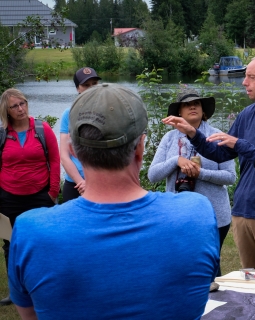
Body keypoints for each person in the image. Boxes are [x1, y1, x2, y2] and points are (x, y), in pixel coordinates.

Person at [7, 83, 219, 319]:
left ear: (73, 151)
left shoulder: (31, 231)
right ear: (140, 147)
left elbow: (30, 314)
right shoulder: (197, 214)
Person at [163, 55, 255, 274]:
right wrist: (193, 133)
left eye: (251, 77)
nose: (244, 82)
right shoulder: (247, 114)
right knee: (251, 285)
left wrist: (240, 144)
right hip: (241, 212)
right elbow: (220, 154)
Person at [148, 87, 236, 277]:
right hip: (177, 215)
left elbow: (230, 177)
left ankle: (217, 305)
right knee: (182, 266)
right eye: (186, 105)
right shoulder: (170, 138)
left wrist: (200, 173)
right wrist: (175, 161)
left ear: (204, 110)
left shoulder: (217, 136)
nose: (192, 107)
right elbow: (152, 175)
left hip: (213, 215)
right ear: (179, 112)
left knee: (211, 268)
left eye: (196, 103)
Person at [0, 88, 60, 306]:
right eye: (14, 106)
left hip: (40, 196)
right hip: (9, 197)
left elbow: (55, 160)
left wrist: (53, 191)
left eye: (22, 103)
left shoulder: (42, 129)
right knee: (10, 243)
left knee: (43, 242)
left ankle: (45, 287)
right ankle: (15, 292)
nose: (21, 109)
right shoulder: (2, 134)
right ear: (6, 111)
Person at [59, 67, 101, 202]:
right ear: (78, 88)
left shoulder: (109, 112)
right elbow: (64, 155)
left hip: (102, 182)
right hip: (75, 185)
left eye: (94, 84)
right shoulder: (69, 114)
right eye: (86, 85)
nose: (91, 88)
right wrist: (81, 183)